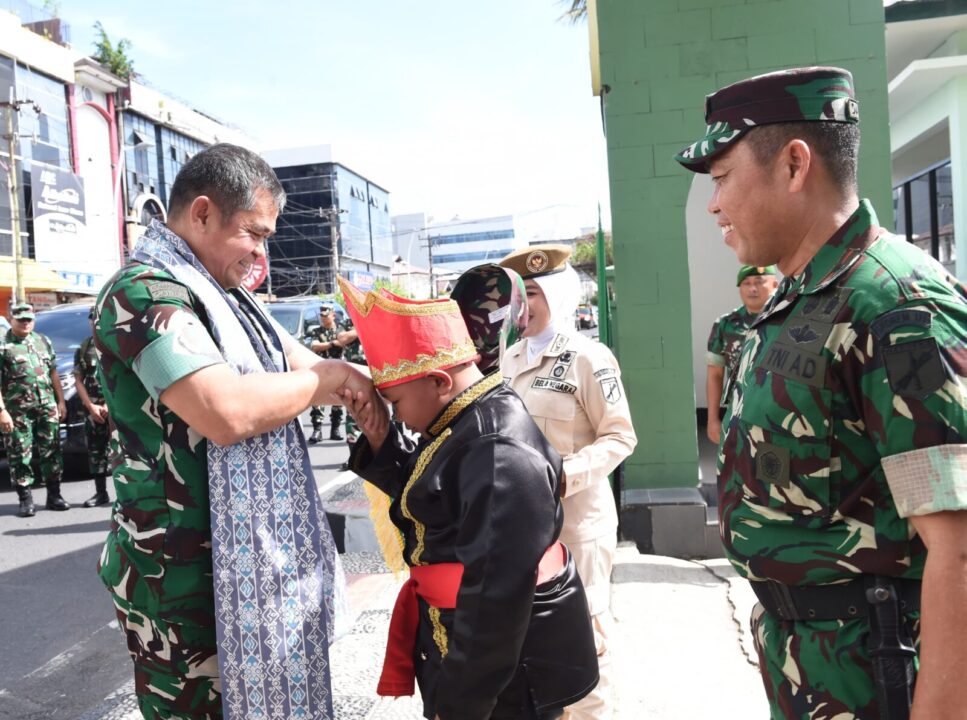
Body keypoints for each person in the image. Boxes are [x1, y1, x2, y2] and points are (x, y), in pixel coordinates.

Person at [676, 66, 967, 719]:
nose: (713, 204)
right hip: (809, 661)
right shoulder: (800, 298)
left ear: (793, 164)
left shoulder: (892, 303)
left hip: (880, 671)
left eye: (721, 178)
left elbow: (959, 545)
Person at [93, 143, 376, 720]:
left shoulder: (226, 296)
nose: (260, 253)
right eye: (254, 233)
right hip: (179, 579)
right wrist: (331, 378)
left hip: (238, 568)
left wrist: (377, 381)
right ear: (201, 213)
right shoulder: (146, 290)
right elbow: (228, 413)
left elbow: (294, 361)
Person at [335, 276, 599, 720]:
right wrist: (382, 439)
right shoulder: (463, 420)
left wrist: (461, 705)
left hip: (503, 673)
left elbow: (495, 599)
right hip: (465, 645)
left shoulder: (496, 449)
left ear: (439, 380)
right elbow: (435, 506)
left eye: (395, 403)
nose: (395, 413)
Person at [499, 245, 637, 720]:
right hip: (526, 530)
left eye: (532, 293)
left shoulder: (589, 358)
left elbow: (621, 437)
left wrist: (562, 477)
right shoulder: (509, 359)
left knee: (586, 644)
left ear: (555, 296)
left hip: (578, 528)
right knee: (538, 644)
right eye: (518, 294)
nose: (522, 305)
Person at [0, 302, 68, 517]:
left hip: (46, 405)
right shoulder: (3, 345)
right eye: (20, 319)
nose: (25, 322)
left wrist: (61, 401)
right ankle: (25, 498)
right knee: (20, 453)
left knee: (52, 450)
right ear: (11, 319)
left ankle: (54, 495)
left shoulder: (42, 341)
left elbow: (53, 372)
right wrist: (2, 411)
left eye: (29, 319)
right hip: (18, 410)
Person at [705, 265, 778, 444]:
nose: (752, 288)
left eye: (759, 282)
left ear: (775, 285)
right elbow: (715, 373)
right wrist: (712, 419)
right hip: (739, 413)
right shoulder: (725, 324)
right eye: (746, 283)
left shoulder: (787, 319)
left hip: (777, 412)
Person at [73, 307, 113, 507]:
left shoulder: (116, 342)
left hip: (116, 407)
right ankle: (101, 493)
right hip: (93, 410)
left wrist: (108, 403)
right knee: (96, 451)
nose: (94, 321)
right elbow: (78, 380)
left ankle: (128, 497)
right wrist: (90, 406)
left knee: (125, 451)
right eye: (91, 318)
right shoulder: (85, 346)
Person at [305, 305, 345, 443]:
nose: (323, 318)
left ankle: (335, 429)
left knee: (338, 401)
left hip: (339, 370)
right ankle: (317, 430)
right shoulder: (316, 331)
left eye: (325, 315)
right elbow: (315, 346)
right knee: (318, 401)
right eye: (321, 316)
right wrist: (333, 343)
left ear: (333, 315)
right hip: (321, 370)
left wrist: (333, 343)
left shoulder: (341, 330)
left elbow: (345, 342)